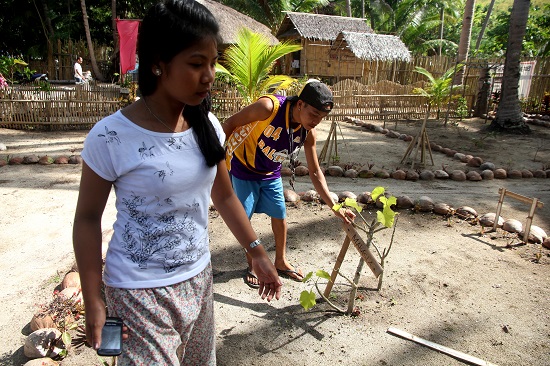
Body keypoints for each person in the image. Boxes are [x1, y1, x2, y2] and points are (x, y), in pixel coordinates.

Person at [72, 1, 282, 364]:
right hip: (137, 292)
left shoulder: (208, 126)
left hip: (198, 280)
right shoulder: (110, 136)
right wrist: (93, 299)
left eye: (214, 63)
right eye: (197, 63)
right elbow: (88, 219)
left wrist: (257, 252)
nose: (209, 75)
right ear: (158, 62)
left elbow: (225, 195)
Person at [224, 80, 356, 288]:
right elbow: (230, 123)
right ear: (300, 104)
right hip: (243, 167)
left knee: (280, 214)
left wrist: (335, 207)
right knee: (244, 218)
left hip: (270, 171)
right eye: (314, 114)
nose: (316, 121)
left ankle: (281, 261)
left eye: (322, 118)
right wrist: (213, 157)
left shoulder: (307, 131)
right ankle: (252, 264)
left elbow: (314, 171)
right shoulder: (268, 108)